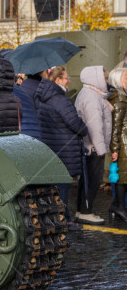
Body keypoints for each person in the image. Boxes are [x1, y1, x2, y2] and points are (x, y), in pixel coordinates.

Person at [36, 66, 88, 230]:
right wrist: (84, 129)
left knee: (56, 186)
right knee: (63, 185)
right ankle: (62, 220)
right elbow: (75, 124)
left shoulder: (42, 98)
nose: (69, 81)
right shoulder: (61, 100)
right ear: (58, 80)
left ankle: (58, 217)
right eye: (66, 78)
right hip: (65, 149)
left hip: (51, 146)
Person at [74, 66, 111, 224]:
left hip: (89, 146)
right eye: (105, 78)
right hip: (93, 148)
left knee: (86, 180)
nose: (107, 81)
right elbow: (95, 125)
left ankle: (82, 210)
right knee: (92, 180)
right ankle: (85, 211)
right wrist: (101, 148)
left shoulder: (91, 94)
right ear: (96, 79)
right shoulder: (92, 97)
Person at [109, 68, 127, 221]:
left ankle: (117, 205)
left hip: (123, 142)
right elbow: (116, 126)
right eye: (126, 77)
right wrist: (115, 148)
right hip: (123, 143)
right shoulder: (120, 98)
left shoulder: (122, 96)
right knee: (122, 177)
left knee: (122, 176)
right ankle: (119, 207)